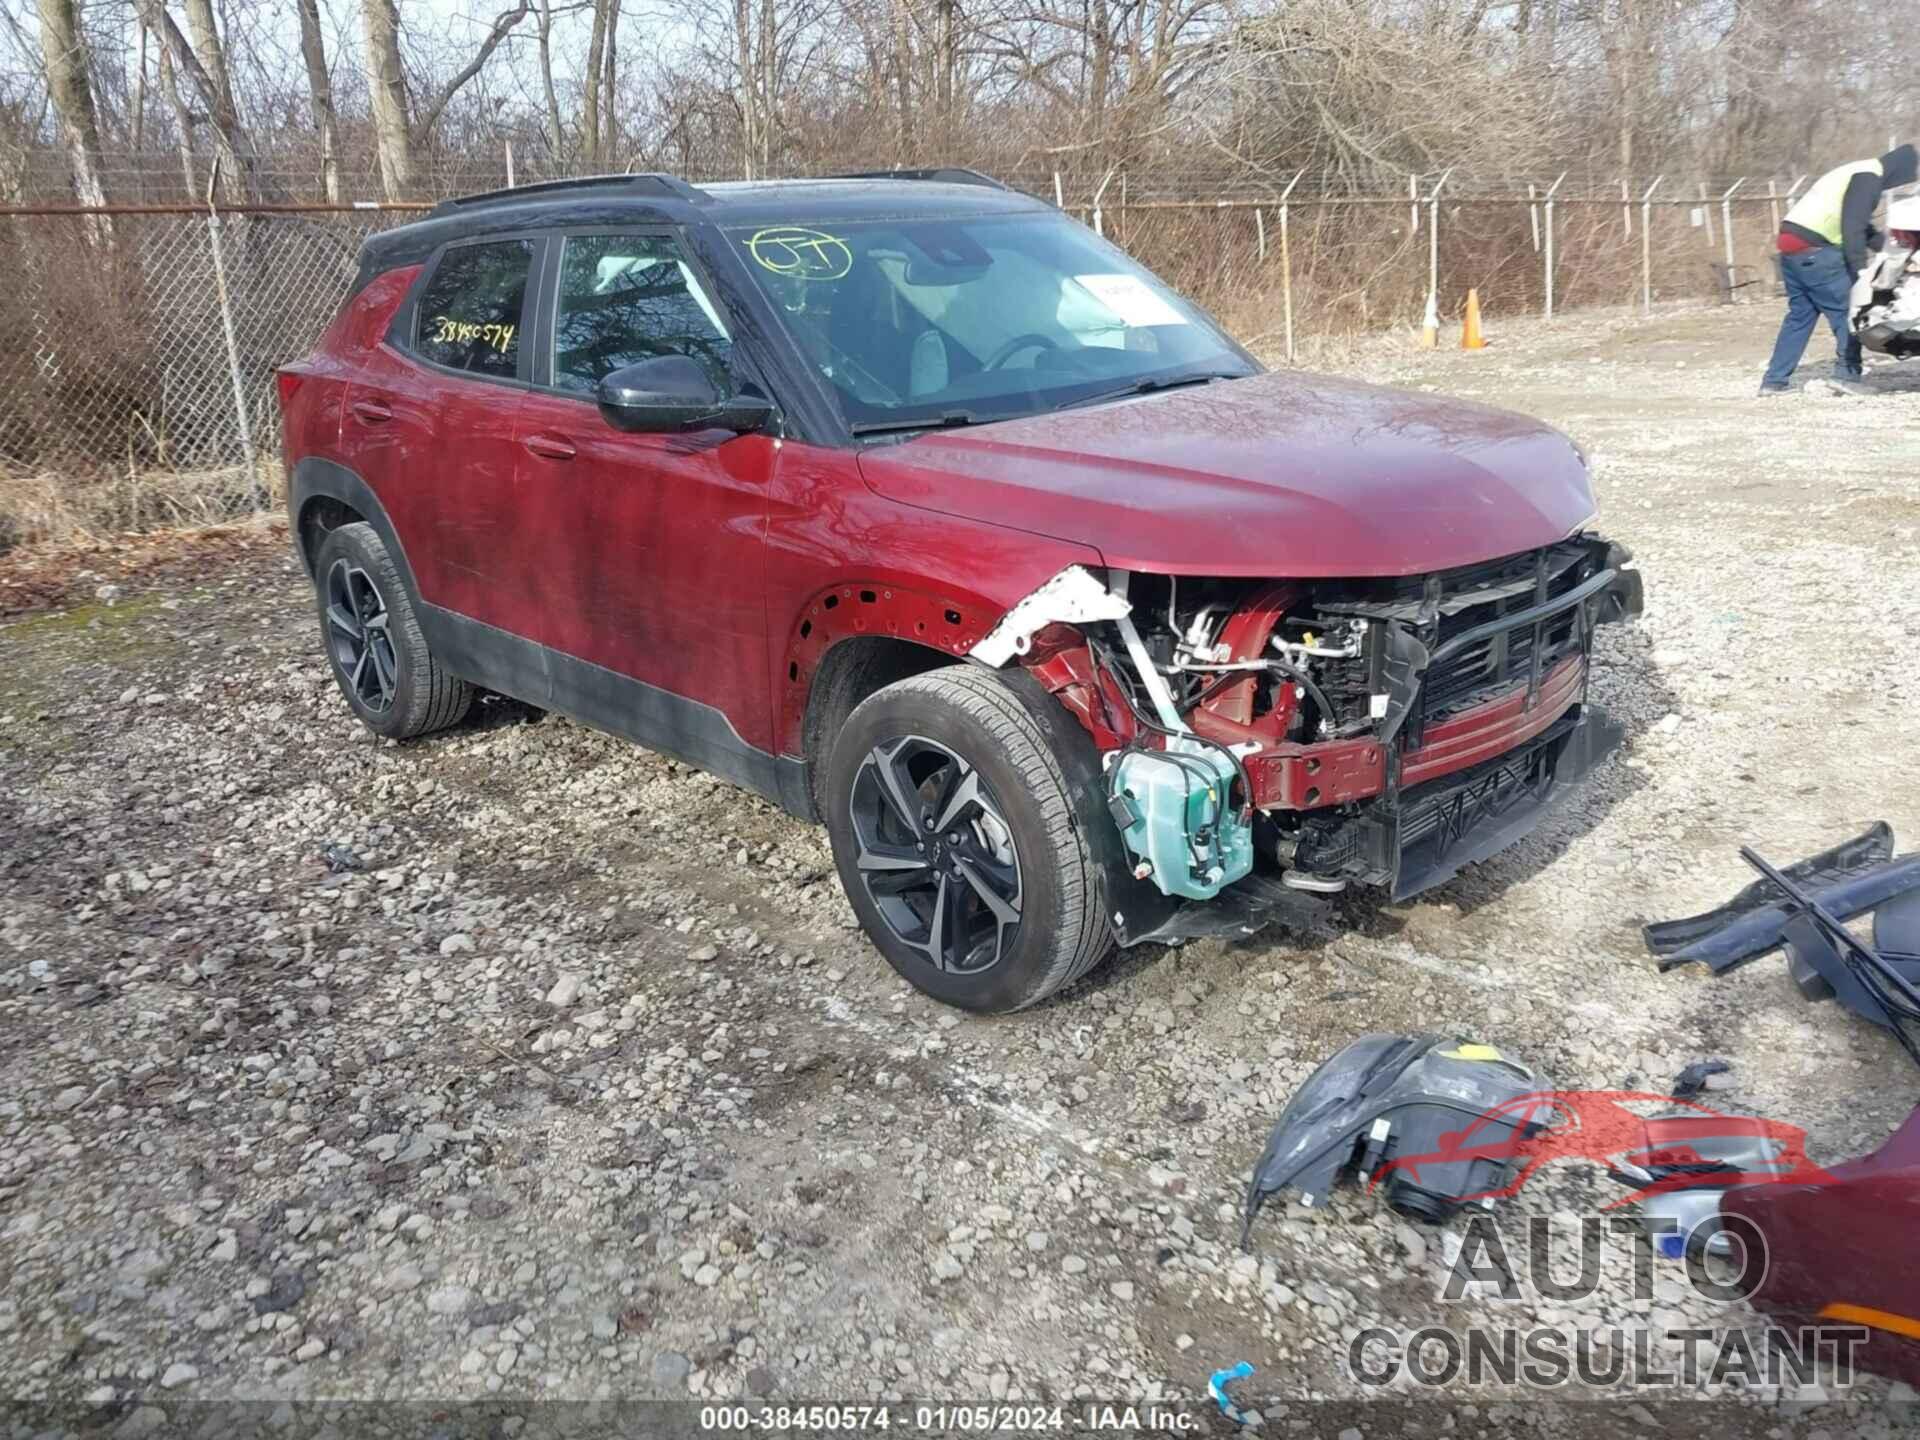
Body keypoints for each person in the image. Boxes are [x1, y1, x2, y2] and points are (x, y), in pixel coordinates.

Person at [1759, 143, 1918, 395]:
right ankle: (1847, 376)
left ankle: (1774, 381)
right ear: (1898, 171)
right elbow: (1852, 227)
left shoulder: (1856, 170)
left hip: (1791, 246)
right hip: (1816, 248)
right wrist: (1860, 273)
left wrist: (1894, 252)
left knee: (1799, 318)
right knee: (1850, 313)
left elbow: (1861, 229)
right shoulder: (1869, 177)